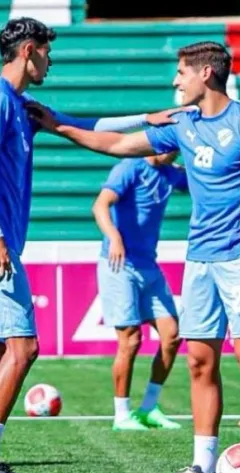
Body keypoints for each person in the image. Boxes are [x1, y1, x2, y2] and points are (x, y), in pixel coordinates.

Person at [30, 41, 240, 473]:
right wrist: (58, 127)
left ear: (206, 73)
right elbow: (117, 143)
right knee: (199, 362)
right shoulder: (183, 124)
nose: (175, 81)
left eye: (181, 73)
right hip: (199, 260)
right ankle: (201, 466)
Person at [0, 17, 186, 473]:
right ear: (28, 50)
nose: (50, 61)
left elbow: (85, 126)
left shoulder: (20, 104)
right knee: (24, 347)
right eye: (46, 52)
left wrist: (147, 119)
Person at [92, 153, 187, 431]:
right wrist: (114, 237)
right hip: (119, 265)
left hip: (148, 265)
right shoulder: (129, 168)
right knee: (130, 340)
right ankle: (122, 415)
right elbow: (100, 205)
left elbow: (202, 180)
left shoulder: (170, 172)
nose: (172, 150)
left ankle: (148, 408)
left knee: (172, 335)